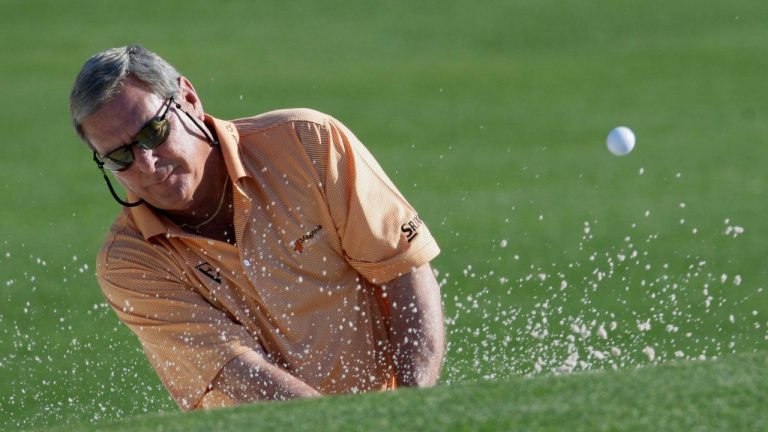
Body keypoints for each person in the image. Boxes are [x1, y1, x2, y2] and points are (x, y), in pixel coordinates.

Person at [69, 45, 444, 410]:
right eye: (120, 157)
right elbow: (246, 374)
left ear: (188, 99)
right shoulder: (128, 264)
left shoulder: (306, 143)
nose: (147, 164)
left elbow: (402, 268)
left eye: (153, 132)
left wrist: (407, 410)